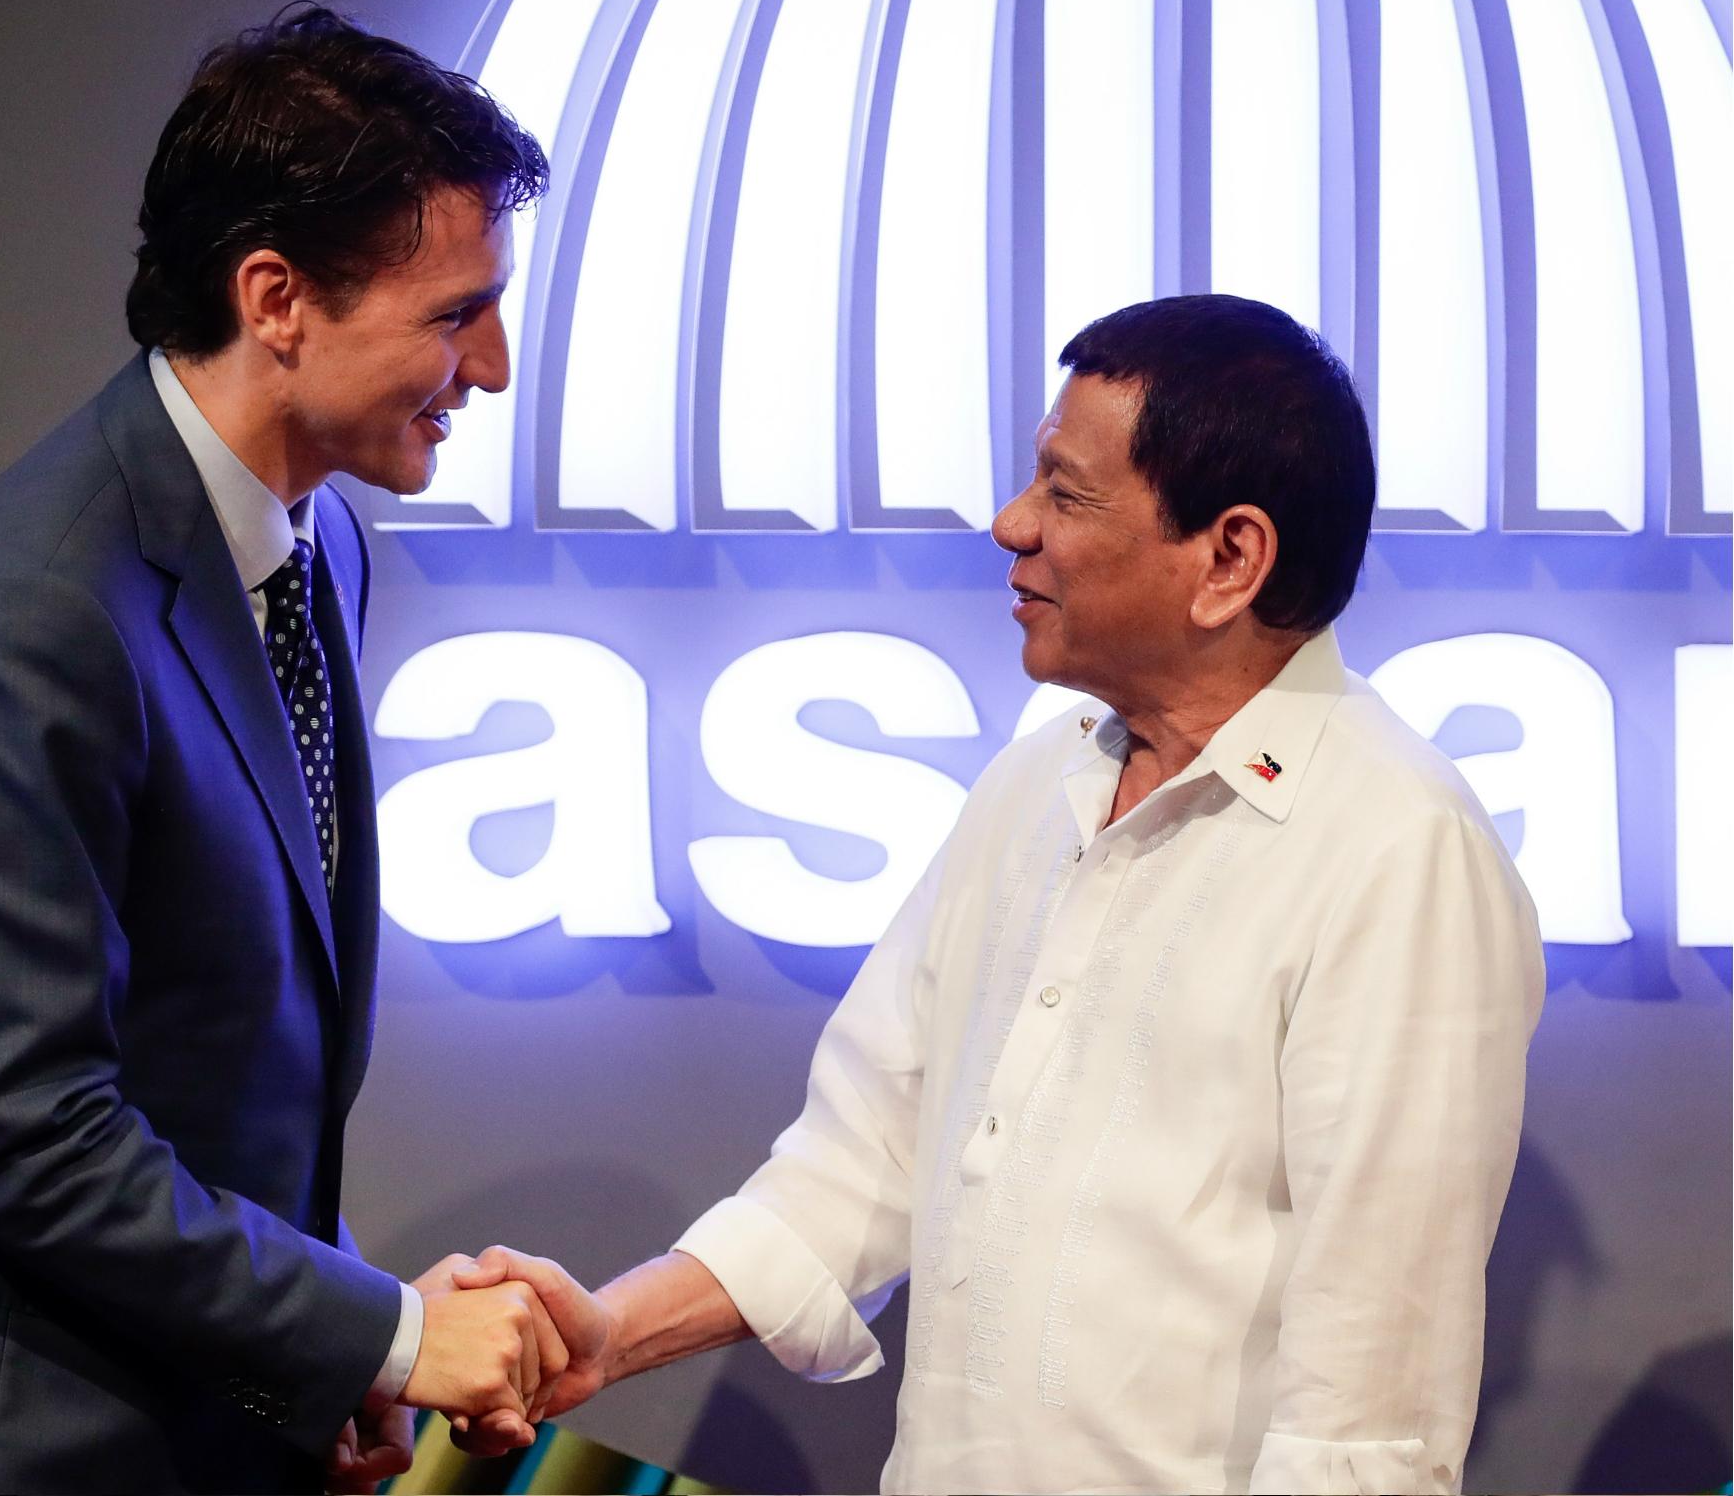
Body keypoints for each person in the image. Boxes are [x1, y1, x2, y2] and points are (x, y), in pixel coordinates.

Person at [454, 295, 1547, 1494]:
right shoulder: (1035, 780)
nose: (1010, 523)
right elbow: (860, 1162)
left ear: (1229, 559)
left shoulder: (1398, 849)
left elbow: (1367, 1412)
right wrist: (610, 1334)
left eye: (1065, 495)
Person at [0, 6, 563, 1495]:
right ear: (276, 297)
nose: (489, 364)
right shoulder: (34, 612)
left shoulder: (322, 552)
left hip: (168, 1417)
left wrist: (325, 1349)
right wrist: (381, 1336)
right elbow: (24, 1134)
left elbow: (205, 1068)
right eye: (453, 313)